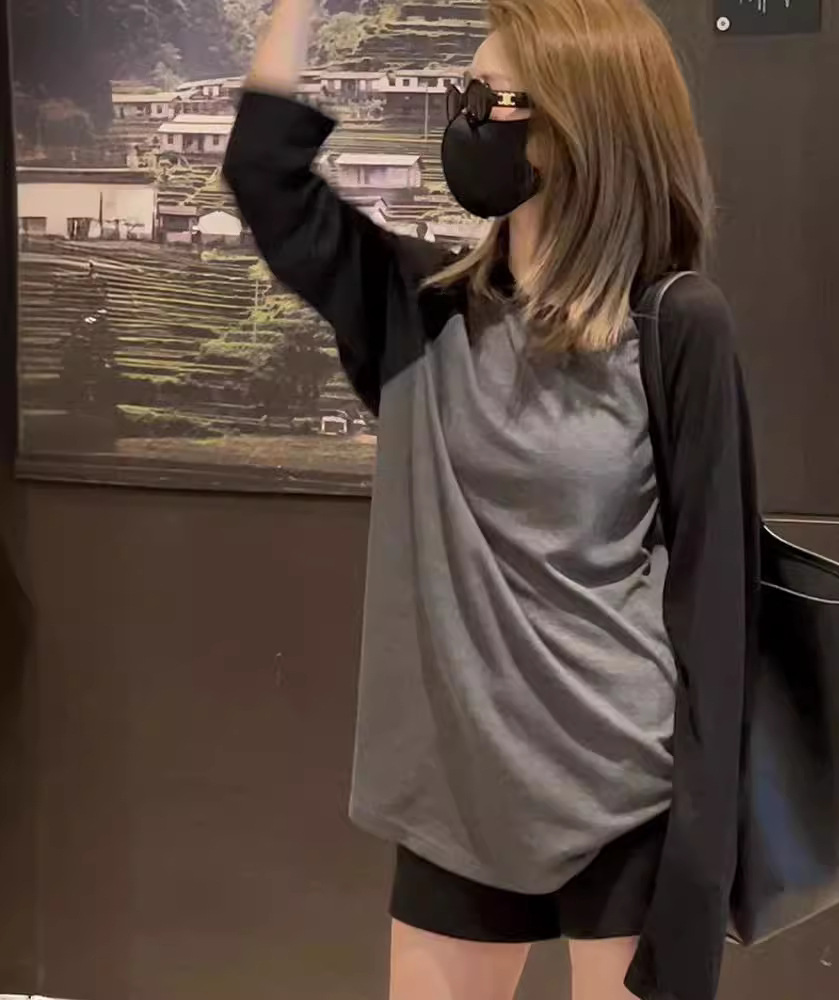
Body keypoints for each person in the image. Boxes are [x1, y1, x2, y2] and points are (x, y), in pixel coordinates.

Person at [223, 1, 757, 998]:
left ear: (581, 128)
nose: (469, 119)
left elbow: (716, 602)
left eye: (497, 101)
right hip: (457, 797)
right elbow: (265, 177)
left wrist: (702, 862)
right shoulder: (417, 312)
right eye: (464, 94)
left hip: (623, 793)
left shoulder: (675, 324)